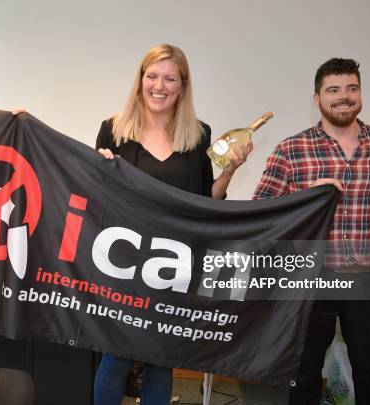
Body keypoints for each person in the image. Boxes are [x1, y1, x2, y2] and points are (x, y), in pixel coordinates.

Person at [253, 58, 370, 404]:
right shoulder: (291, 150)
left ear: (360, 93)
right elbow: (263, 211)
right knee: (302, 373)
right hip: (311, 278)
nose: (343, 97)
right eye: (333, 90)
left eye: (351, 88)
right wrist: (308, 196)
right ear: (317, 98)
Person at [95, 44, 251, 405]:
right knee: (114, 358)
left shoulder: (198, 135)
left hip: (174, 264)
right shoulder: (113, 131)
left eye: (170, 78)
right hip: (123, 263)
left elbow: (205, 200)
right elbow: (98, 197)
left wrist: (229, 172)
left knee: (162, 361)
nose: (159, 86)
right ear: (140, 81)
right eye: (152, 76)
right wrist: (98, 170)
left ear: (183, 86)